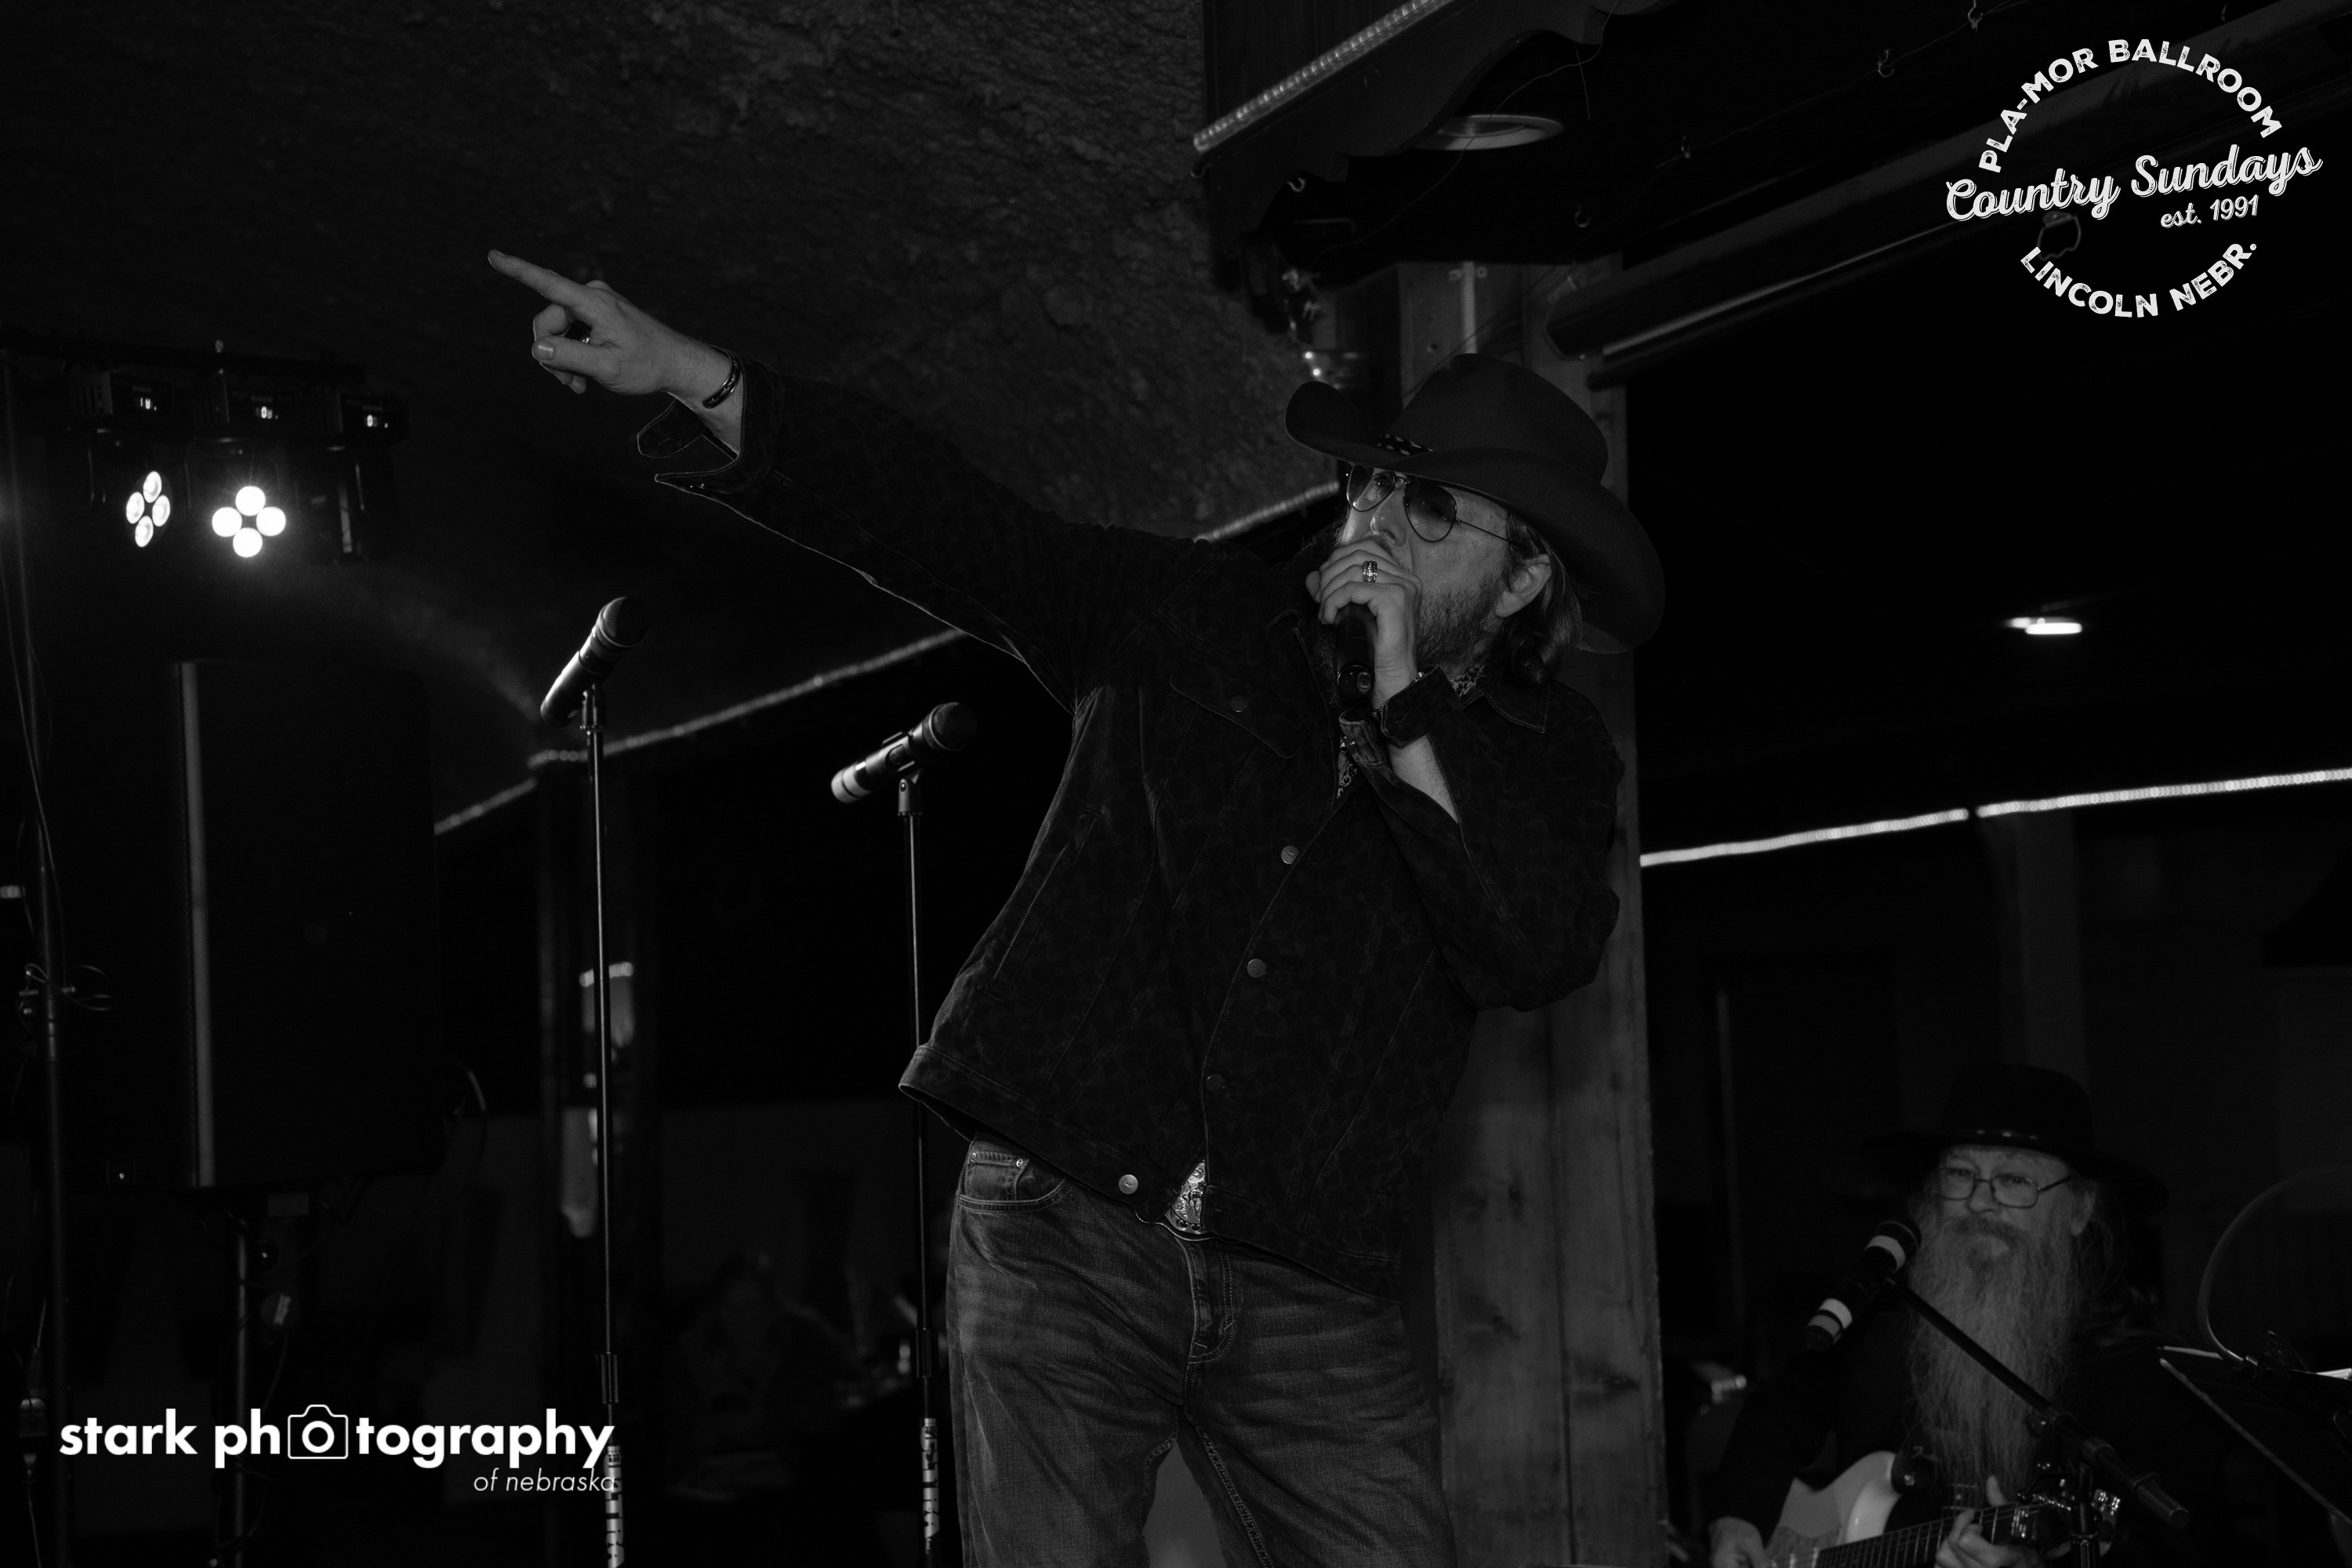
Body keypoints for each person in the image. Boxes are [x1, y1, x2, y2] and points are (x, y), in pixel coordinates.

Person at [488, 249, 1664, 1566]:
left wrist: (1401, 703)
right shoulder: (1188, 615)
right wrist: (693, 374)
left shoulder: (1547, 763)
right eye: (1373, 481)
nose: (1381, 520)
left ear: (1523, 581)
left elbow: (1535, 945)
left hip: (1307, 1274)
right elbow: (951, 524)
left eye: (1431, 505)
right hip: (1068, 1223)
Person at [1707, 1065, 2231, 1568]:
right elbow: (1775, 1416)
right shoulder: (1884, 1319)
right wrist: (1738, 1517)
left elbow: (2174, 1552)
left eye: (2015, 1179)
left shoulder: (2139, 1374)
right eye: (1960, 1174)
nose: (1980, 1202)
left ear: (2078, 1210)